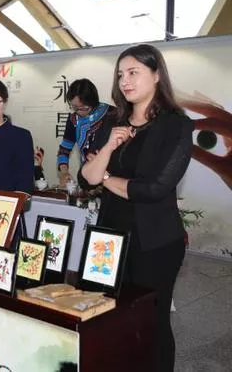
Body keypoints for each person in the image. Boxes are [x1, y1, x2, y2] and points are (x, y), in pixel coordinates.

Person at [79, 44, 193, 372]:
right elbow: (86, 178)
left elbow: (154, 189)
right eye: (120, 75)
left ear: (156, 75)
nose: (125, 81)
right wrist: (109, 147)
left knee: (152, 323)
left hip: (154, 243)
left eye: (133, 72)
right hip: (108, 240)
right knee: (109, 317)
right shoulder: (111, 122)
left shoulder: (176, 125)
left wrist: (107, 176)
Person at [57, 78, 113, 185]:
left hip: (110, 178)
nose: (78, 112)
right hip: (86, 175)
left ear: (93, 102)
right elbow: (64, 149)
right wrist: (64, 172)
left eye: (82, 108)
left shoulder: (111, 115)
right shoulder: (73, 119)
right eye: (74, 108)